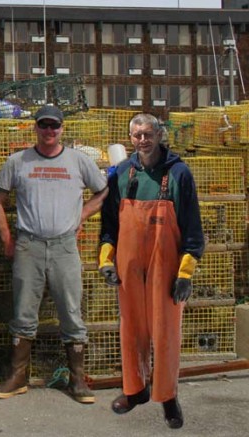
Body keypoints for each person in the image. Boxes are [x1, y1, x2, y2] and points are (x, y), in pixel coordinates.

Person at [0, 105, 107, 404]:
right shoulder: (18, 161)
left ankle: (77, 379)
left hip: (64, 246)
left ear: (62, 128)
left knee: (71, 311)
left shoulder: (79, 161)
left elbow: (104, 192)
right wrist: (7, 238)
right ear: (36, 128)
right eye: (43, 125)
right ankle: (18, 376)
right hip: (29, 245)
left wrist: (80, 216)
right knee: (23, 312)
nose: (49, 131)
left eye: (54, 126)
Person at [99, 113, 203, 429]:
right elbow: (109, 227)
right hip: (129, 266)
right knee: (131, 330)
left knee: (165, 333)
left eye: (148, 134)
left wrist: (185, 274)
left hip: (166, 267)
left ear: (159, 134)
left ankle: (168, 397)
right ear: (130, 138)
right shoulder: (120, 174)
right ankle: (134, 391)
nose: (142, 140)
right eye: (136, 135)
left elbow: (193, 232)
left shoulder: (180, 174)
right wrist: (106, 261)